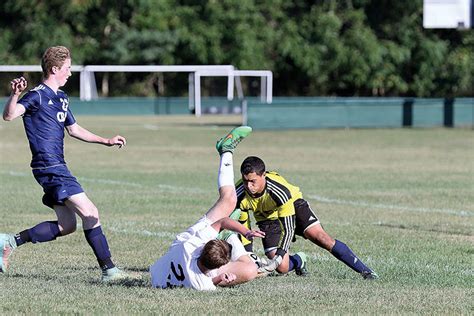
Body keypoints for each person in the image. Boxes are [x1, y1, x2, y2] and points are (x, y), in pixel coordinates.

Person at [0, 46, 136, 282]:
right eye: (68, 69)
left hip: (54, 166)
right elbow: (10, 115)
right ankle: (110, 270)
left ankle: (9, 242)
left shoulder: (61, 98)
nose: (70, 73)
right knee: (91, 213)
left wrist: (106, 140)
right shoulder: (37, 95)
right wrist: (14, 95)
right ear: (55, 69)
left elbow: (73, 129)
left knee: (67, 225)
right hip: (50, 167)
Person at [150, 126, 266, 290]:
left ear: (202, 248)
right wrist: (219, 278)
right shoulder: (201, 280)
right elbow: (223, 222)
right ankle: (229, 236)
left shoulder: (191, 249)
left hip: (179, 249)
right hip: (161, 270)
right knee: (250, 269)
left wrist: (246, 232)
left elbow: (223, 221)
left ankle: (226, 150)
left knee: (229, 201)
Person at [235, 156, 378, 279]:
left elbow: (289, 228)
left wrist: (279, 256)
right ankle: (298, 261)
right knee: (282, 268)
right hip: (267, 219)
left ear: (263, 175)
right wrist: (248, 254)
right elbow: (243, 227)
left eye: (253, 181)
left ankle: (366, 272)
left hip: (294, 206)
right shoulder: (238, 195)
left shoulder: (278, 191)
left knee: (322, 238)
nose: (249, 186)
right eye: (245, 180)